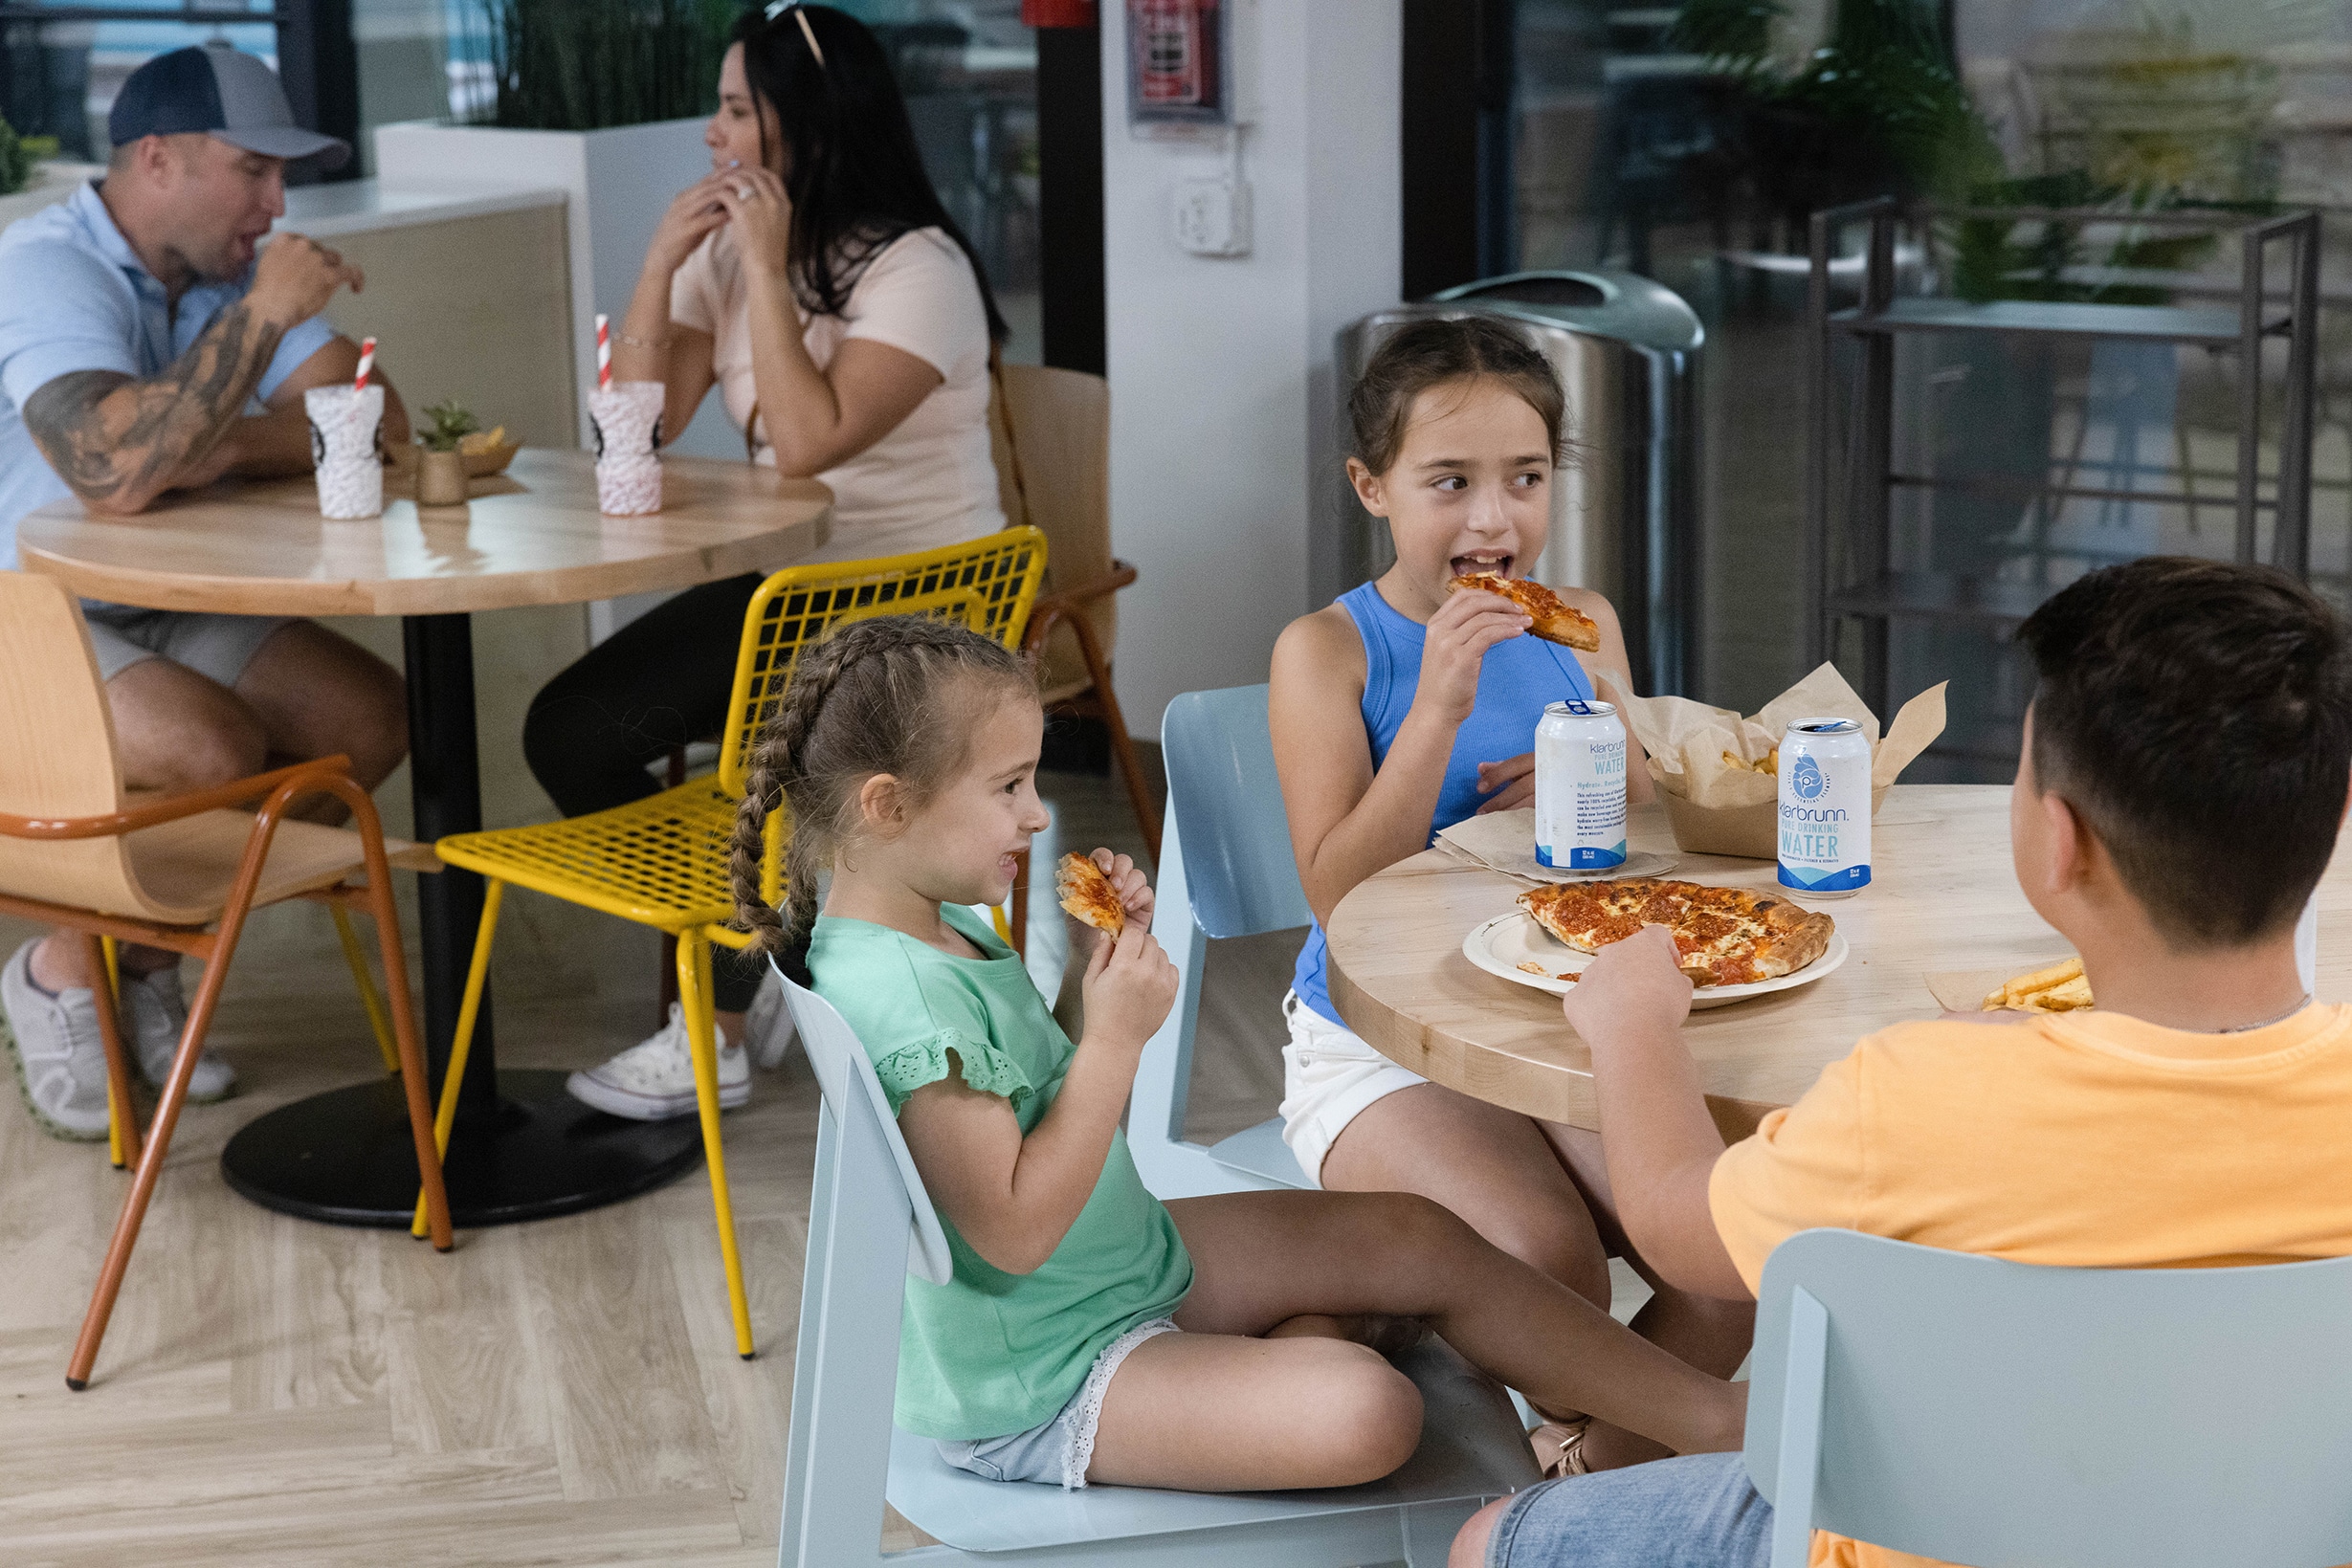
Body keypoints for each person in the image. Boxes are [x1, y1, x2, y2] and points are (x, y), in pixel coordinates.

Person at [1454, 555, 2352, 1568]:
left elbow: (1675, 1223)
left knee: (1496, 1536)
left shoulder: (1920, 1093)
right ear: (2335, 817)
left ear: (2059, 842)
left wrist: (1633, 1025)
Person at [729, 614, 1746, 1491]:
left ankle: (1704, 1416)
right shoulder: (905, 999)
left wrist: (1095, 980)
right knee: (1368, 1413)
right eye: (1007, 786)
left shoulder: (919, 930)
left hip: (1110, 1266)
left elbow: (1028, 1108)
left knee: (1415, 1236)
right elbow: (1011, 1230)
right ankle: (1310, 1352)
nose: (1037, 813)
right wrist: (1116, 1040)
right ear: (885, 804)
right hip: (1048, 1370)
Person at [1268, 316, 1751, 1473]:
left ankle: (1581, 1478)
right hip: (1383, 1034)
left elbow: (1645, 843)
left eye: (1523, 479)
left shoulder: (1582, 626)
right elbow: (1337, 893)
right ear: (1371, 486)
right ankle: (1592, 1458)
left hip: (1559, 1008)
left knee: (1730, 1241)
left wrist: (1615, 781)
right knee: (1547, 1261)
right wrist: (1435, 708)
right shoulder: (1328, 651)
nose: (1494, 520)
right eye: (1450, 482)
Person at [528, 3, 1010, 1122]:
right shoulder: (740, 260)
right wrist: (659, 263)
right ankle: (776, 951)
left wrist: (759, 261)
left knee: (763, 771)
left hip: (922, 599)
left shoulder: (916, 265)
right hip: (793, 590)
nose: (715, 132)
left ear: (807, 121)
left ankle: (723, 1026)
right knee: (570, 730)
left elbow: (805, 440)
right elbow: (636, 431)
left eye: (738, 108)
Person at [0, 42, 411, 1142]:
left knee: (362, 722)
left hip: (146, 593)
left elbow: (380, 424)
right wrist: (265, 321)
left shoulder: (222, 271)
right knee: (209, 751)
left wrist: (212, 449)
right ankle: (53, 971)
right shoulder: (45, 268)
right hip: (22, 614)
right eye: (253, 171)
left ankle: (135, 961)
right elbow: (115, 468)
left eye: (285, 178)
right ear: (157, 160)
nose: (278, 205)